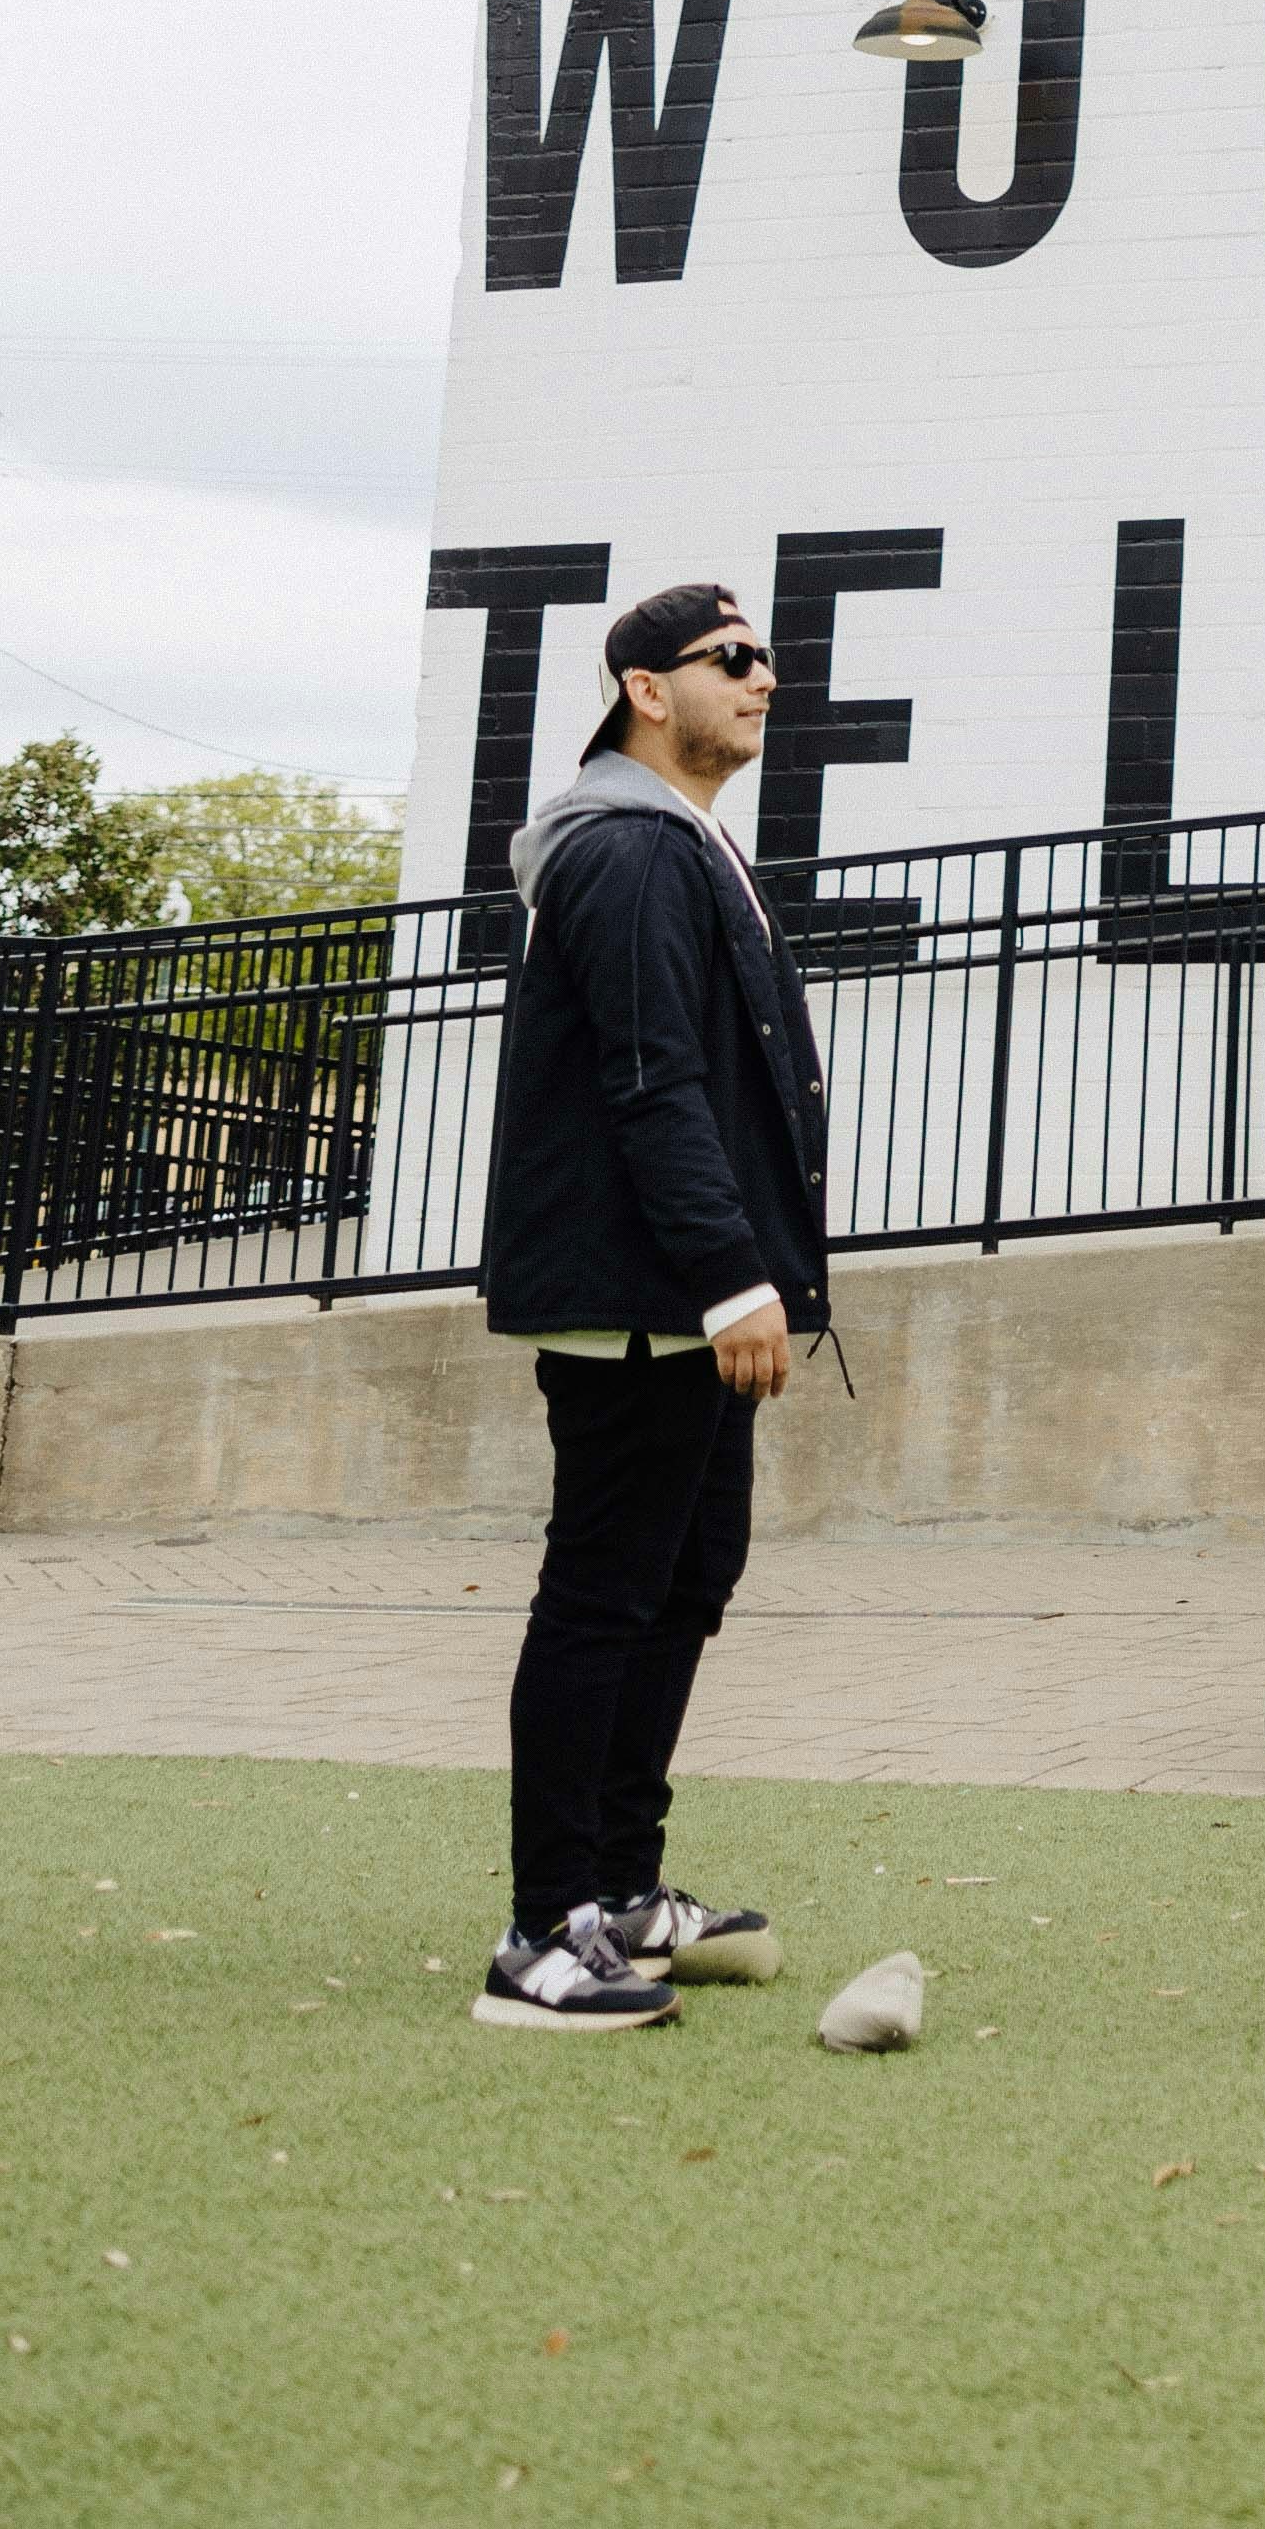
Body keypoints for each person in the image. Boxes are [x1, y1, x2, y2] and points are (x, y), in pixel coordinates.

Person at [472, 585, 831, 2024]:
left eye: (766, 661)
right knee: (604, 1594)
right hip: (643, 1297)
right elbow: (646, 1076)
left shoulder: (684, 842)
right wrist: (730, 1273)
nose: (763, 679)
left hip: (679, 1298)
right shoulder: (624, 845)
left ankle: (623, 1892)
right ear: (643, 686)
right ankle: (540, 1935)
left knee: (687, 1578)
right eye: (729, 660)